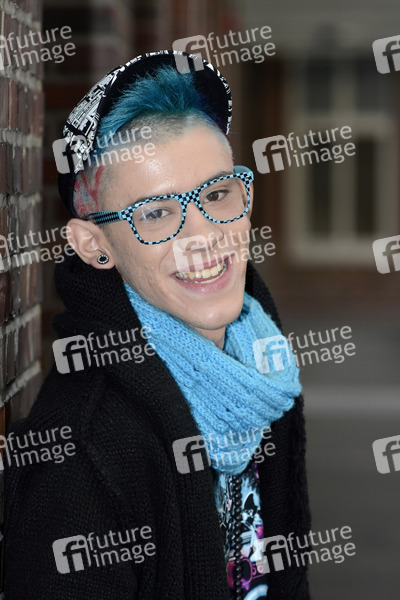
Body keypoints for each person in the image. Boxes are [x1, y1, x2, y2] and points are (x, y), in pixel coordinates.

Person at [4, 50, 311, 600]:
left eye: (217, 194)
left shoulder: (261, 370)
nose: (204, 238)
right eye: (155, 213)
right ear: (94, 245)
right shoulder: (84, 458)